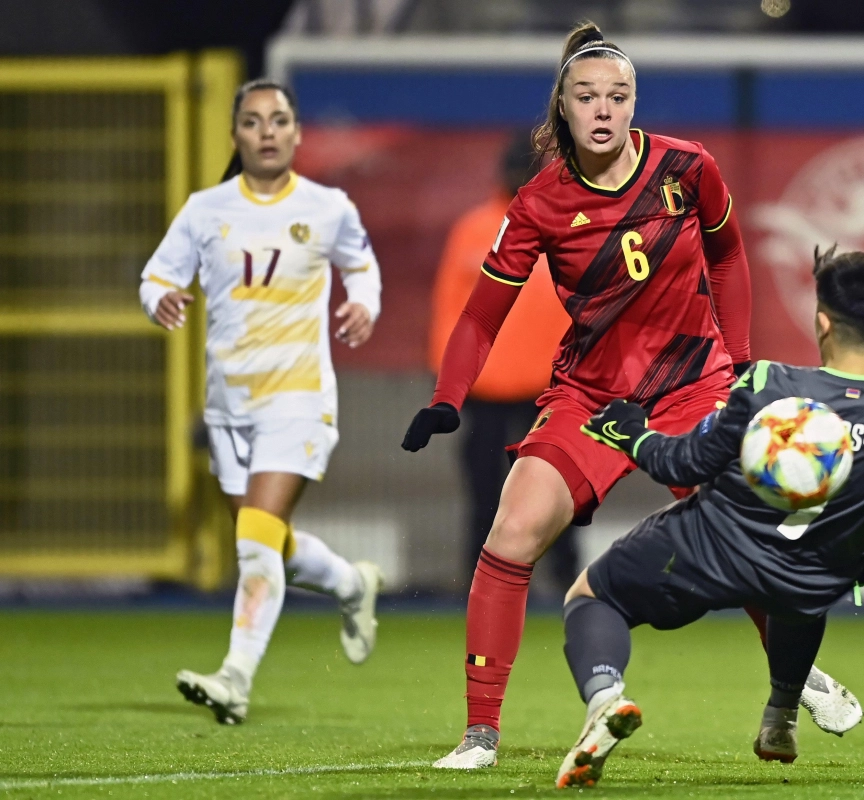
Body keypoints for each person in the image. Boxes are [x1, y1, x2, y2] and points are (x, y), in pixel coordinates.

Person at [401, 21, 759, 768]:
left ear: (635, 103)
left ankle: (794, 680)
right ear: (561, 108)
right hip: (593, 396)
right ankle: (480, 735)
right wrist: (448, 396)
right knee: (511, 532)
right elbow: (478, 317)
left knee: (740, 533)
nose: (603, 109)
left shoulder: (687, 168)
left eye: (617, 96)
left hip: (692, 384)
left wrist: (743, 361)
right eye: (586, 96)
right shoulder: (537, 204)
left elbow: (727, 253)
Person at [554, 248, 864, 788]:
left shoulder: (769, 386)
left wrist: (632, 432)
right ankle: (780, 718)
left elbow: (684, 461)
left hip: (708, 552)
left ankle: (606, 700)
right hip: (808, 580)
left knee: (592, 597)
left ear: (822, 320)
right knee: (804, 586)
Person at [138, 78, 384, 725]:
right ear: (236, 135)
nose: (267, 131)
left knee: (253, 541)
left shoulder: (328, 207)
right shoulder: (205, 210)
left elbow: (361, 265)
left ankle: (234, 678)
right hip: (229, 407)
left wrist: (364, 303)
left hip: (298, 400)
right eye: (253, 121)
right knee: (266, 541)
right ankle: (352, 583)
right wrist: (158, 296)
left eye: (279, 120)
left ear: (297, 133)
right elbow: (158, 272)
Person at [427, 134, 576, 590]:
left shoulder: (569, 224)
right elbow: (449, 310)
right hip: (485, 392)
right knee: (485, 494)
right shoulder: (473, 229)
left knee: (553, 493)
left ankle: (564, 582)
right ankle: (481, 584)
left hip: (547, 390)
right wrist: (448, 385)